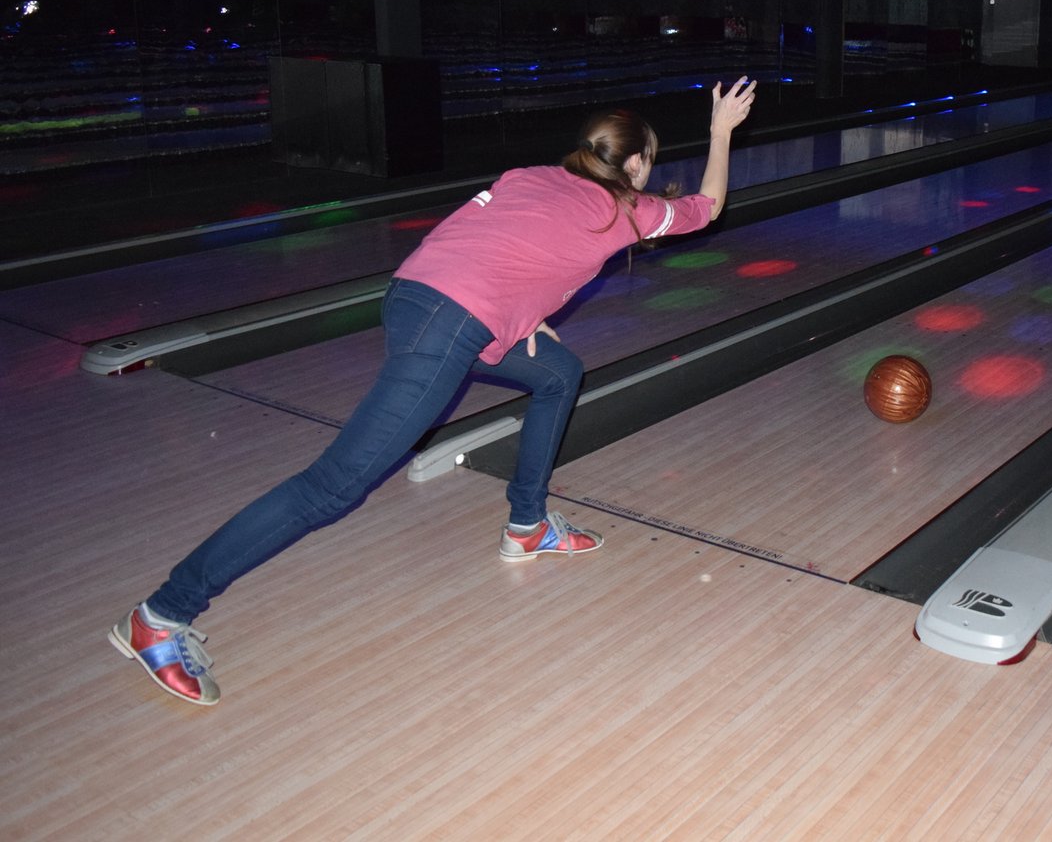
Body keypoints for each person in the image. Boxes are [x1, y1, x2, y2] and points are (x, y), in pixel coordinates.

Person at [109, 77, 758, 706]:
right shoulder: (624, 208)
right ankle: (161, 616)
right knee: (332, 487)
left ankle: (528, 526)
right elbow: (707, 208)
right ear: (636, 164)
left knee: (558, 373)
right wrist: (720, 131)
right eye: (648, 163)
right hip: (449, 328)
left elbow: (496, 245)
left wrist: (522, 311)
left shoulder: (529, 177)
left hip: (412, 297)